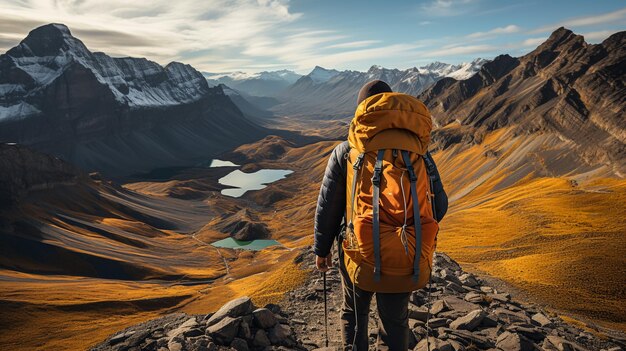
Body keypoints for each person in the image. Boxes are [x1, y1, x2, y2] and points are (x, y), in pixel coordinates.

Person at [313, 80, 448, 350]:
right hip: (405, 253)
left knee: (353, 314)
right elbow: (440, 205)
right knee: (396, 321)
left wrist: (322, 248)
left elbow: (329, 204)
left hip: (357, 251)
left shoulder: (347, 151)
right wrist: (405, 229)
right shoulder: (420, 153)